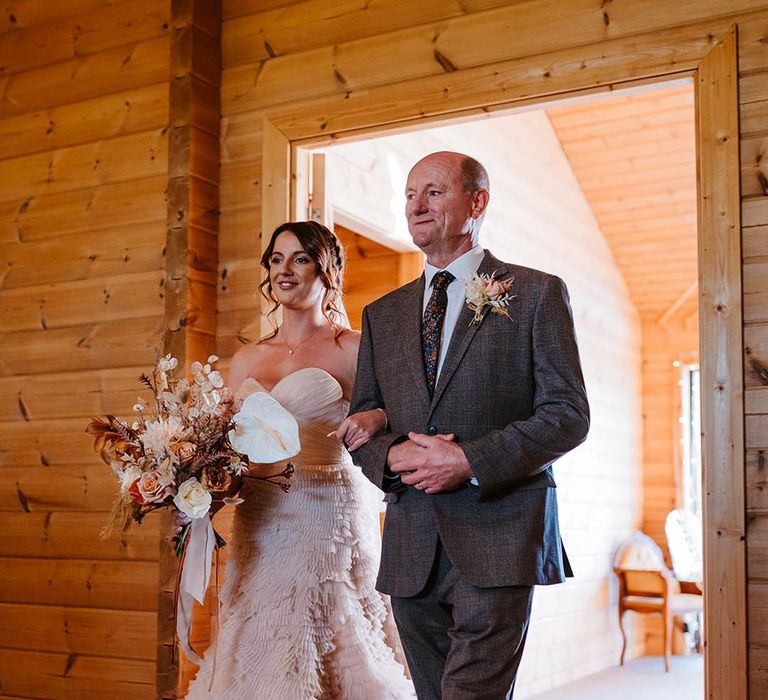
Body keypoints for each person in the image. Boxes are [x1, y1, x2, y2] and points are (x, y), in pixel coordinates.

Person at [346, 151, 590, 699]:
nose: (417, 205)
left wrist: (469, 460)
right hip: (411, 547)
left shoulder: (534, 293)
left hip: (500, 535)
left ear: (477, 202)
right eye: (410, 195)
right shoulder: (380, 315)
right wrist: (387, 456)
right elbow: (363, 421)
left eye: (433, 191)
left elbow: (568, 414)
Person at [186, 221, 415, 699]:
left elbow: (398, 413)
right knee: (258, 627)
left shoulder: (351, 347)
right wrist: (193, 479)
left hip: (325, 505)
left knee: (330, 627)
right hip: (260, 511)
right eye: (276, 259)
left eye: (300, 258)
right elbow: (227, 442)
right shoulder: (247, 359)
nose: (284, 270)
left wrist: (374, 417)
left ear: (325, 270)